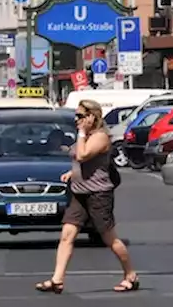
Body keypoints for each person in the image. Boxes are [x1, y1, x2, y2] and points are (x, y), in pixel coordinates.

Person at [36, 100, 137, 294]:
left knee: (110, 239)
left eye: (81, 116)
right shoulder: (86, 136)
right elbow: (80, 162)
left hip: (98, 194)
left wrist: (81, 133)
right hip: (79, 193)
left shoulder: (100, 137)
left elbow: (83, 155)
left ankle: (130, 274)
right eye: (76, 116)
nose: (77, 120)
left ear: (92, 117)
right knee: (67, 235)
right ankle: (57, 279)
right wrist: (71, 173)